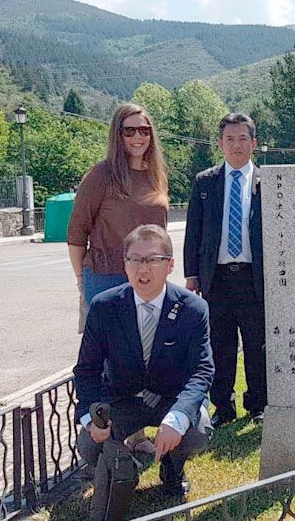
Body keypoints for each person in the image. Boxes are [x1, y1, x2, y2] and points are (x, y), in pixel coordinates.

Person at [74, 224, 213, 512]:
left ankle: (172, 470)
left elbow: (201, 369)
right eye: (134, 259)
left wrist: (177, 417)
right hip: (123, 399)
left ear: (170, 265)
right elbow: (87, 369)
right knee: (88, 445)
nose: (143, 268)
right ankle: (125, 466)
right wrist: (91, 417)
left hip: (170, 399)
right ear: (124, 265)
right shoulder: (104, 307)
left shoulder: (193, 308)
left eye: (152, 259)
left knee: (195, 432)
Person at [183, 113, 266, 427]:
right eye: (229, 139)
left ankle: (258, 403)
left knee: (257, 344)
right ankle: (224, 406)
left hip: (253, 277)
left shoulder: (266, 181)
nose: (236, 145)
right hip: (216, 279)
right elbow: (194, 232)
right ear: (220, 144)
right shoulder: (206, 182)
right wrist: (192, 274)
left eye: (243, 138)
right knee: (220, 345)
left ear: (253, 143)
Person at [68, 103, 170, 333]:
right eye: (129, 131)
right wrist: (81, 280)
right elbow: (76, 232)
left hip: (150, 277)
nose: (138, 137)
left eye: (144, 131)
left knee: (148, 357)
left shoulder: (157, 176)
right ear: (117, 134)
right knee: (111, 360)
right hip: (107, 278)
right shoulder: (101, 175)